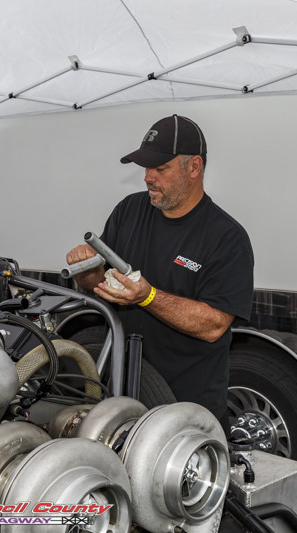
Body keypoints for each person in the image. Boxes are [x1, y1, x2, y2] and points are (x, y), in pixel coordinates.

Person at [65, 114, 254, 431]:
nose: (148, 177)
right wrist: (87, 269)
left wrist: (148, 297)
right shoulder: (129, 211)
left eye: (160, 168)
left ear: (193, 167)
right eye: (146, 168)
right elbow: (98, 284)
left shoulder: (226, 237)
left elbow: (214, 325)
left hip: (186, 410)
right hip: (122, 396)